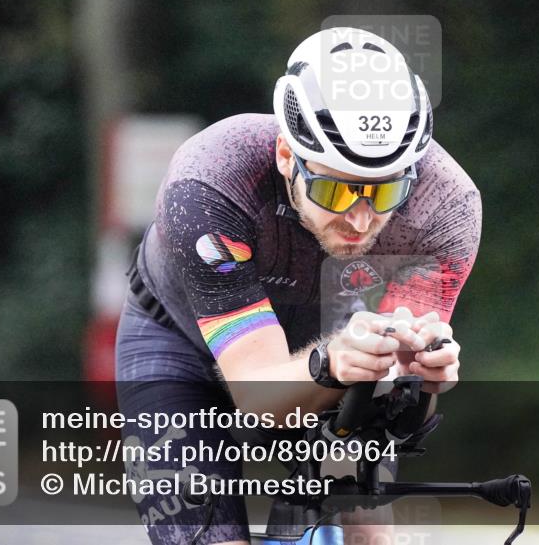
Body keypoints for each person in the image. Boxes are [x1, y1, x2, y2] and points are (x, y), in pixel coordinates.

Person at [115, 27, 482, 545]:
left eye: (384, 193)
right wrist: (329, 361)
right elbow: (257, 394)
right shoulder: (212, 179)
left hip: (340, 353)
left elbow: (394, 411)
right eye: (336, 190)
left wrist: (421, 380)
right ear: (287, 155)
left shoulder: (446, 207)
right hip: (181, 344)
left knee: (369, 535)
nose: (360, 219)